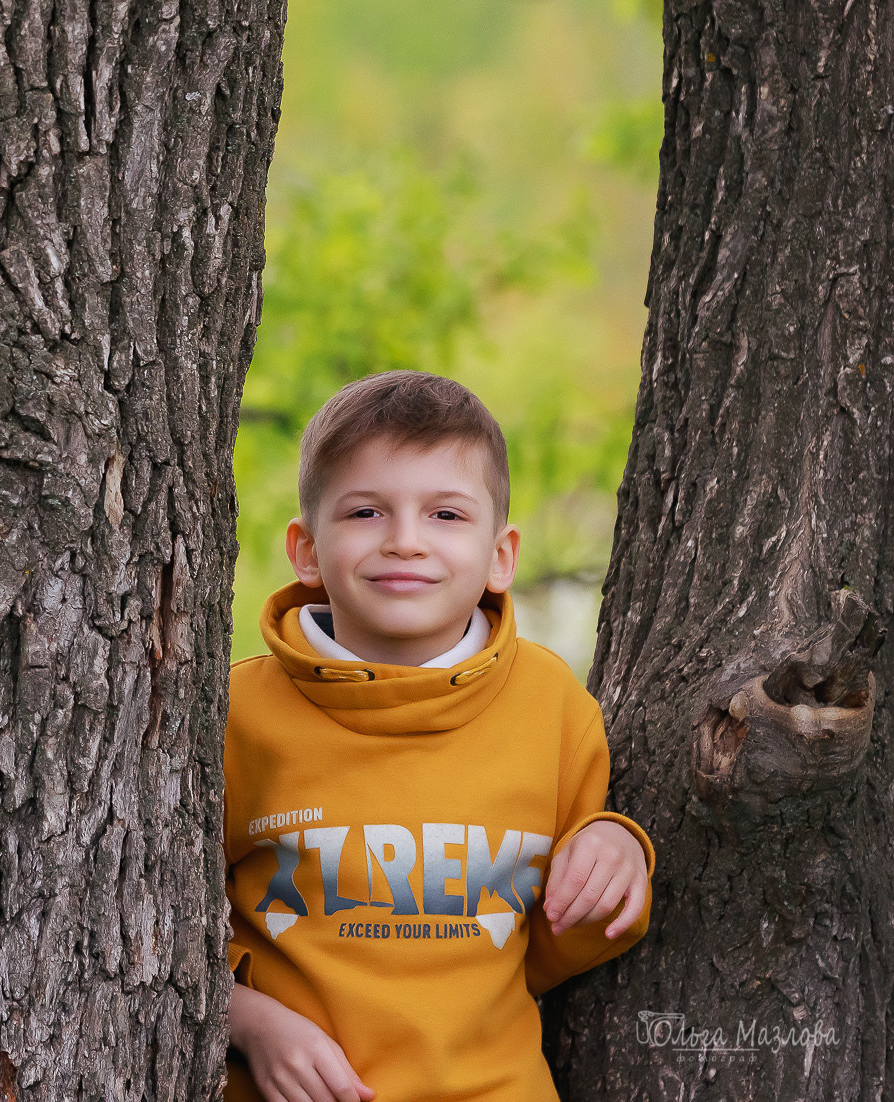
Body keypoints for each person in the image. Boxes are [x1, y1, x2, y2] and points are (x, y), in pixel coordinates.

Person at [223, 371, 653, 1102]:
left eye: (447, 515)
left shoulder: (553, 708)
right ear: (305, 548)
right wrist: (249, 1019)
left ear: (501, 556)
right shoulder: (239, 712)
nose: (405, 541)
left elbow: (547, 948)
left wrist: (618, 850)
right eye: (365, 511)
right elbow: (150, 927)